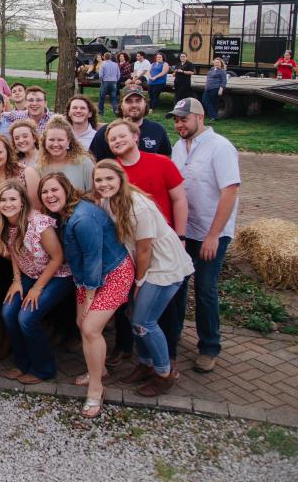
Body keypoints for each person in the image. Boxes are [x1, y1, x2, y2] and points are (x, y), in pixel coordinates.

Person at [92, 160, 194, 396]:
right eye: (99, 180)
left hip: (162, 267)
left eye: (109, 179)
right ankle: (146, 364)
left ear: (120, 178)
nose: (104, 184)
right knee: (134, 317)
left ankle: (164, 373)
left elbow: (145, 250)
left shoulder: (138, 206)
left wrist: (138, 283)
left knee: (143, 323)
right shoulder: (109, 201)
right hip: (145, 265)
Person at [39, 172, 134, 419]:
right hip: (88, 277)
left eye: (54, 190)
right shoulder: (67, 215)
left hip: (114, 273)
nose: (50, 196)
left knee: (90, 327)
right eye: (45, 192)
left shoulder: (81, 218)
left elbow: (94, 257)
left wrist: (89, 296)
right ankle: (98, 369)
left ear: (67, 189)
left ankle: (96, 388)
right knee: (82, 323)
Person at [104, 118, 189, 365]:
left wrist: (181, 235)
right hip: (128, 249)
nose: (117, 141)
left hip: (158, 248)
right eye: (112, 139)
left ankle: (167, 357)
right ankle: (133, 353)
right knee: (129, 305)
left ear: (135, 137)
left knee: (163, 309)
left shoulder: (161, 163)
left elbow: (180, 200)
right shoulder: (111, 174)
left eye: (122, 136)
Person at [168, 97, 240, 374]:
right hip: (186, 230)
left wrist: (214, 235)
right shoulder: (178, 146)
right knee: (178, 285)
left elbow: (229, 191)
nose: (179, 124)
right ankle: (173, 338)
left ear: (200, 117)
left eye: (184, 119)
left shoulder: (220, 147)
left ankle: (209, 346)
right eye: (176, 119)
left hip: (212, 231)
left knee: (205, 288)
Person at [0, 180, 71, 384]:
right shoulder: (0, 223)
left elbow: (58, 257)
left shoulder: (38, 223)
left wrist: (37, 289)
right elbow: (14, 252)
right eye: (3, 200)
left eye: (12, 199)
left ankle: (44, 369)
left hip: (56, 275)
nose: (8, 204)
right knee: (8, 313)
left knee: (26, 318)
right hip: (28, 275)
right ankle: (22, 363)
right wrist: (17, 280)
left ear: (22, 202)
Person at [0, 133, 42, 230]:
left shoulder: (27, 173)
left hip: (32, 231)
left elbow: (38, 210)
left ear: (8, 152)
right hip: (4, 235)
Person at [89, 86, 172, 161]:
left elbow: (166, 159)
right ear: (121, 105)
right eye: (129, 101)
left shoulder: (158, 130)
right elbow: (93, 161)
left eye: (138, 101)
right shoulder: (106, 132)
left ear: (145, 103)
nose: (134, 105)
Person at [37, 116, 95, 193]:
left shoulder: (84, 163)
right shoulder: (39, 167)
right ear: (45, 141)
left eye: (60, 140)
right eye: (51, 140)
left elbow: (94, 193)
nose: (55, 144)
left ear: (68, 141)